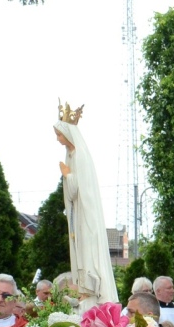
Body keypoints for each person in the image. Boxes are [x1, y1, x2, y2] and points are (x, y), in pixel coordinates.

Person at [56, 108, 118, 308]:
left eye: (59, 135)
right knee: (81, 249)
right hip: (79, 212)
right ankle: (85, 290)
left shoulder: (80, 156)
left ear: (68, 135)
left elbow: (76, 188)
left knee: (88, 250)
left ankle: (92, 289)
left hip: (86, 214)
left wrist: (67, 175)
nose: (58, 139)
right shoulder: (72, 155)